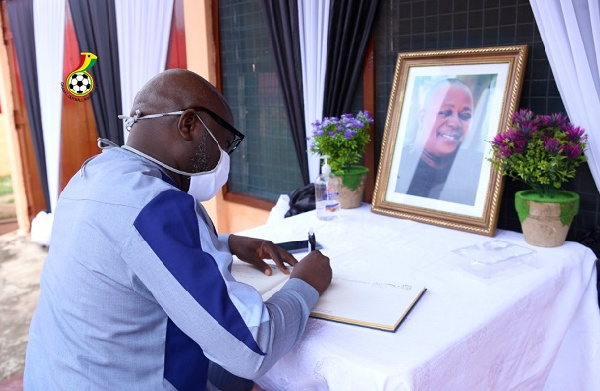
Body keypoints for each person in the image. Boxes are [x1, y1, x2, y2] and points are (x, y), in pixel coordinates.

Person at [23, 69, 332, 390]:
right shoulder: (158, 204)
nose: (224, 159)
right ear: (189, 125)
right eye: (225, 145)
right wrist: (306, 283)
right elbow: (251, 347)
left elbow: (126, 253)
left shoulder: (93, 174)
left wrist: (226, 243)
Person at [395, 77, 482, 205]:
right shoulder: (397, 164)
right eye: (445, 112)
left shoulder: (477, 169)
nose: (455, 123)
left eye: (465, 116)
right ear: (422, 117)